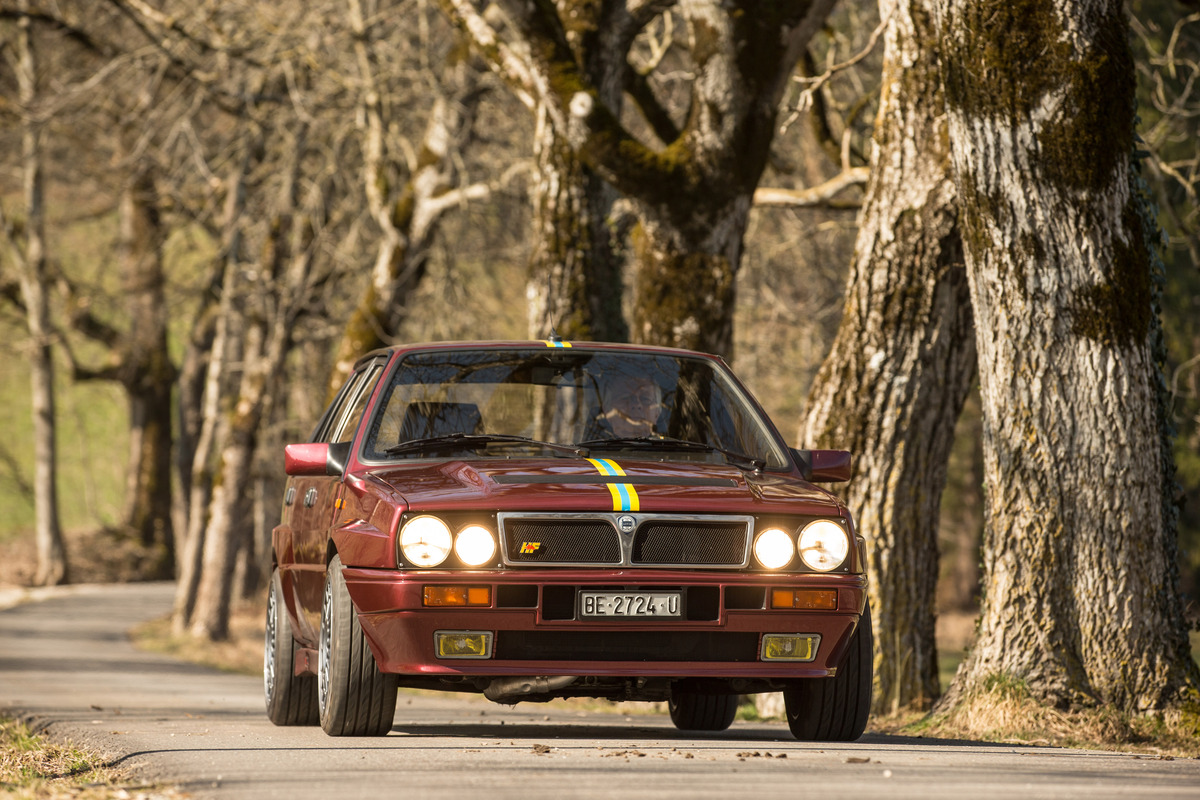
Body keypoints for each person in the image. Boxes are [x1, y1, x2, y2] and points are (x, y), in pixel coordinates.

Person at [595, 373, 663, 438]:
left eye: (645, 399)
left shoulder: (671, 447)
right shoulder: (588, 447)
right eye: (625, 398)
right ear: (607, 410)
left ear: (657, 413)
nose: (636, 405)